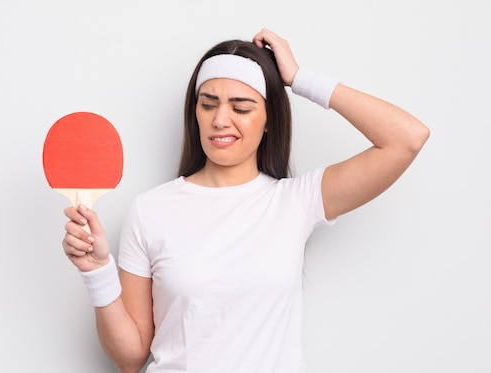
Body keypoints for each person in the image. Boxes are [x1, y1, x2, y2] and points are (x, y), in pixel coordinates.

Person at [61, 28, 430, 373]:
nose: (221, 119)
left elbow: (407, 138)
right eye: (208, 105)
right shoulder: (150, 209)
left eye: (241, 108)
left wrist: (299, 79)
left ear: (269, 119)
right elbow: (131, 357)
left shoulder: (295, 201)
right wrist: (98, 272)